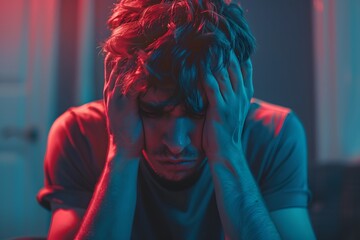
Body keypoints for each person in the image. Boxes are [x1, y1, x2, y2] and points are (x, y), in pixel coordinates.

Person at [37, 0, 316, 239]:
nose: (176, 144)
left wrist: (228, 152)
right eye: (152, 112)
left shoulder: (276, 133)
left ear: (235, 91)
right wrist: (120, 152)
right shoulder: (78, 132)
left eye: (199, 113)